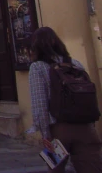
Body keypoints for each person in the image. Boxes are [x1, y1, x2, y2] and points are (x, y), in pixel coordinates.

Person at [29, 26, 102, 172]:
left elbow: (40, 105)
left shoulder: (38, 67)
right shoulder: (76, 64)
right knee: (92, 168)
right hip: (86, 128)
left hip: (58, 130)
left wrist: (45, 135)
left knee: (55, 169)